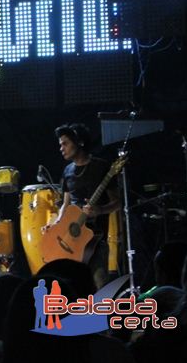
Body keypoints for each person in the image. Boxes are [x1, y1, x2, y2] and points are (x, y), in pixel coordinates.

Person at [44, 123, 120, 288]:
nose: (61, 148)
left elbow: (117, 202)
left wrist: (100, 210)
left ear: (79, 142)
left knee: (100, 288)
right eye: (60, 145)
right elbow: (65, 204)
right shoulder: (67, 171)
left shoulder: (102, 167)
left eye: (65, 143)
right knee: (73, 289)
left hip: (95, 239)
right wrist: (55, 224)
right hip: (71, 241)